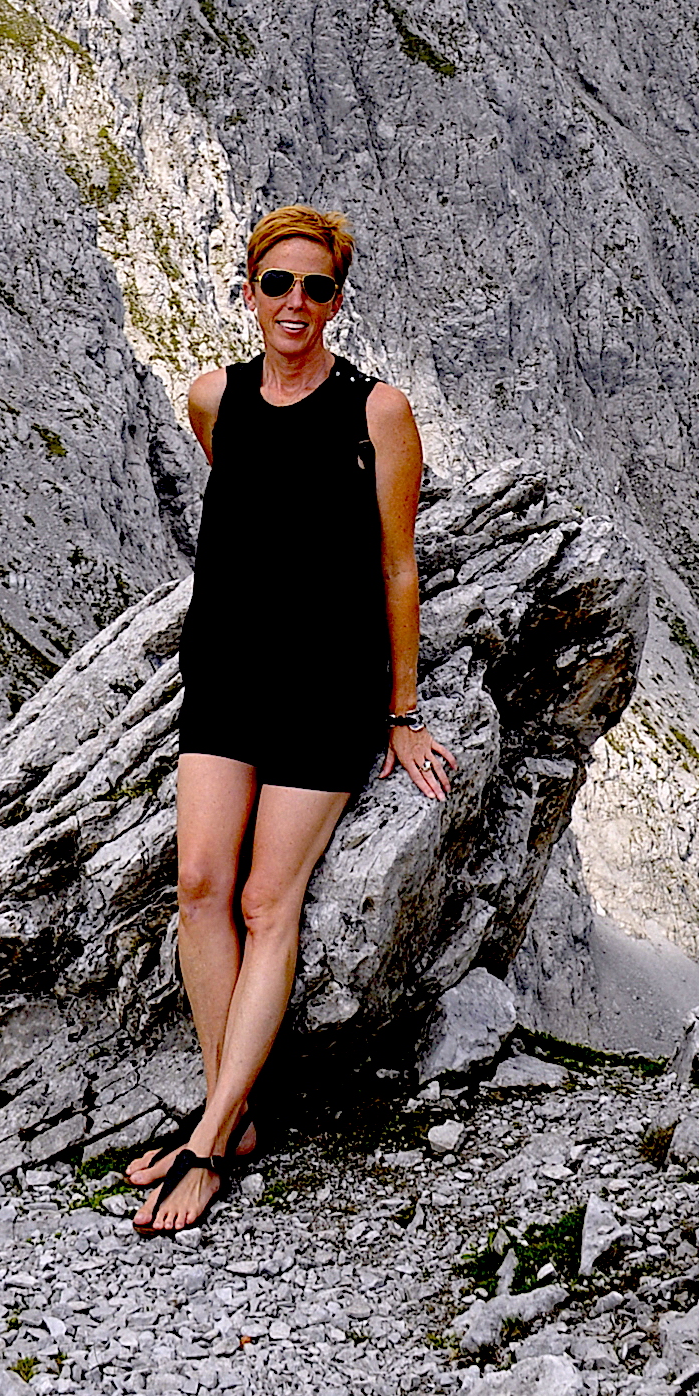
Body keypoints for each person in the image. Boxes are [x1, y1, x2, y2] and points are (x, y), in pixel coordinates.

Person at [126, 204, 456, 1236]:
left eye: (317, 289)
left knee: (270, 901)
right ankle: (235, 1114)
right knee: (198, 887)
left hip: (326, 685)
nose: (296, 306)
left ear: (337, 301)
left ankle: (212, 1139)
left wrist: (400, 710)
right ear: (249, 293)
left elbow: (397, 563)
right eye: (278, 286)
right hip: (225, 674)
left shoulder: (377, 411)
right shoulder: (212, 398)